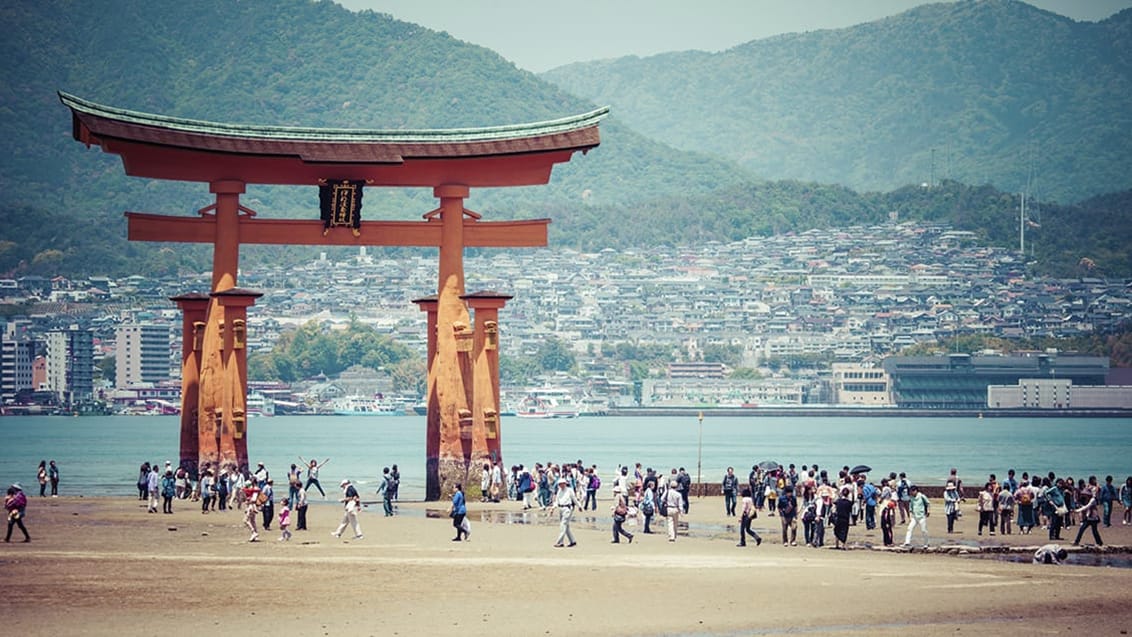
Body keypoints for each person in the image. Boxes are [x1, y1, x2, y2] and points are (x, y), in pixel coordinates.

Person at [1072, 479, 1103, 547]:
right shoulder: (1091, 498)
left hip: (1093, 517)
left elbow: (1086, 507)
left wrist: (1077, 510)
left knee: (1092, 530)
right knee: (1086, 529)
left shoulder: (1093, 500)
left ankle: (1099, 542)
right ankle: (1099, 542)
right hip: (1090, 517)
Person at [902, 484, 930, 548]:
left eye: (912, 491)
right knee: (909, 528)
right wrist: (910, 516)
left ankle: (926, 543)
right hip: (914, 517)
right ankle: (907, 542)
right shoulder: (911, 498)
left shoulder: (922, 496)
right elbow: (911, 507)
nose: (911, 493)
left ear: (916, 491)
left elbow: (928, 503)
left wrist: (928, 511)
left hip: (921, 516)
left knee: (923, 530)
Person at [552, 477, 578, 548]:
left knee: (563, 525)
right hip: (561, 509)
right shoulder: (559, 491)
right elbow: (557, 500)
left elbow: (574, 499)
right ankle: (572, 541)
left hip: (568, 509)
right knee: (566, 526)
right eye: (560, 484)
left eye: (562, 484)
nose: (561, 485)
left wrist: (579, 506)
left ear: (565, 484)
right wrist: (553, 507)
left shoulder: (569, 490)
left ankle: (560, 542)